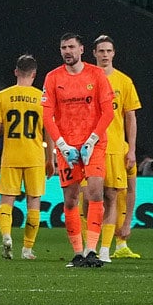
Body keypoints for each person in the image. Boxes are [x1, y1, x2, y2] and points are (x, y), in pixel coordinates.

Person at [40, 33, 115, 268]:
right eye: (63, 47)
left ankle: (92, 249)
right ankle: (78, 252)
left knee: (95, 192)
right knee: (71, 199)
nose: (67, 51)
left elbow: (108, 112)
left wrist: (92, 140)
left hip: (94, 144)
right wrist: (62, 145)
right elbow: (47, 116)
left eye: (71, 47)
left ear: (81, 49)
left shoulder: (96, 75)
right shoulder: (53, 77)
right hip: (67, 146)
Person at [0, 55, 50, 261]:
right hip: (34, 156)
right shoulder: (42, 97)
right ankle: (27, 249)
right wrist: (50, 159)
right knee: (34, 201)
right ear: (34, 74)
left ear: (16, 72)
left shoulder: (3, 96)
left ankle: (6, 236)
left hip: (11, 156)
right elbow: (48, 131)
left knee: (6, 200)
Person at [91, 36, 142, 262]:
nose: (105, 54)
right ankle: (88, 247)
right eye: (101, 51)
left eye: (108, 51)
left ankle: (108, 248)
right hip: (90, 148)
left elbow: (130, 117)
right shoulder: (87, 78)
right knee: (88, 197)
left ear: (113, 53)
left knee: (113, 195)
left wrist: (131, 149)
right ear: (94, 53)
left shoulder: (124, 81)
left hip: (115, 148)